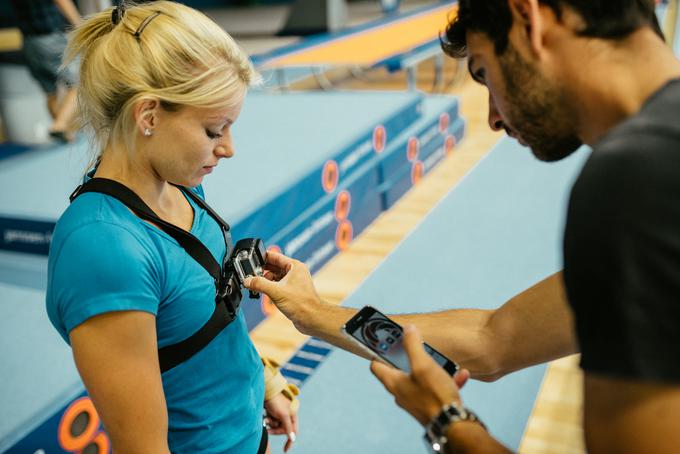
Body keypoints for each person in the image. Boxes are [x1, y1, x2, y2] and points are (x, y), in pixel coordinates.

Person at [244, 0, 680, 451]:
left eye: (483, 73)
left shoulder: (638, 176)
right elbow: (493, 341)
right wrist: (316, 316)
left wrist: (446, 420)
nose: (492, 116)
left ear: (528, 18)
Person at [45, 2, 299, 453]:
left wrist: (265, 379)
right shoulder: (103, 249)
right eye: (214, 129)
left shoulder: (179, 186)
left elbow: (210, 318)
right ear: (148, 117)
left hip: (245, 432)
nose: (229, 149)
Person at [9, 0, 82, 142]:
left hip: (29, 41)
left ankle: (65, 134)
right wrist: (79, 24)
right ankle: (59, 126)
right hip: (50, 37)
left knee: (50, 90)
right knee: (77, 84)